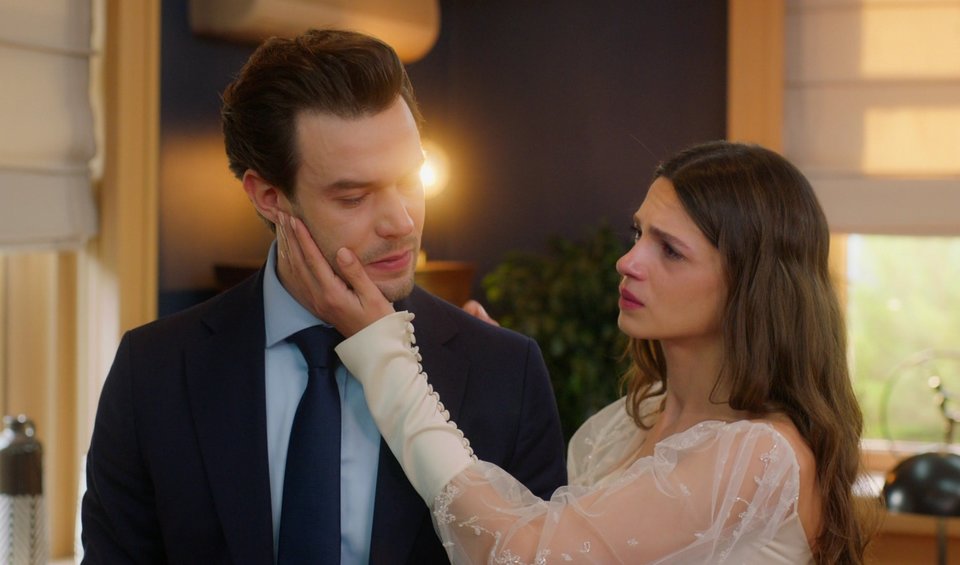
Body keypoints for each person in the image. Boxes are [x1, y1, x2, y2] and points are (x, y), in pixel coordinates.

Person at [80, 29, 567, 564]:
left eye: (412, 179)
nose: (402, 223)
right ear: (269, 197)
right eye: (354, 197)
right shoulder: (153, 371)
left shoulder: (506, 373)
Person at [277, 140, 874, 564]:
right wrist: (486, 384)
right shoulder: (622, 425)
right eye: (638, 234)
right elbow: (539, 526)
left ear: (751, 287)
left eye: (670, 251)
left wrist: (388, 362)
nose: (628, 261)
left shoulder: (761, 456)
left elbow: (524, 554)